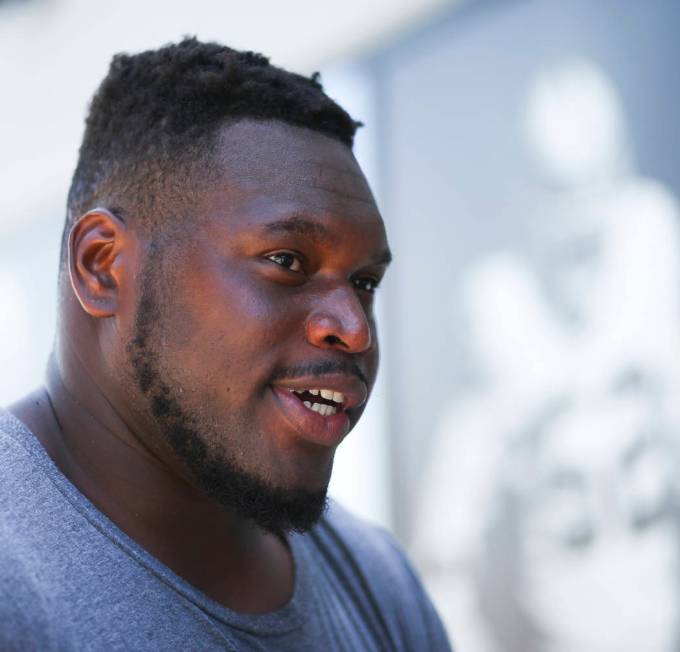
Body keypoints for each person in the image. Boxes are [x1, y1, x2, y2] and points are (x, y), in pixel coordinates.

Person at [0, 37, 451, 651]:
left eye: (364, 282)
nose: (354, 328)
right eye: (287, 260)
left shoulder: (378, 582)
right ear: (103, 265)